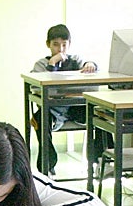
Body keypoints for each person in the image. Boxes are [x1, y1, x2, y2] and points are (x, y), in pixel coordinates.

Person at [30, 23, 99, 174]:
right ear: (48, 44)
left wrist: (91, 64)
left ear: (69, 44)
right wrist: (52, 65)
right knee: (39, 119)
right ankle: (47, 165)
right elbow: (39, 88)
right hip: (53, 110)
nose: (60, 49)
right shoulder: (41, 64)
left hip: (75, 108)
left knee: (100, 114)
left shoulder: (76, 60)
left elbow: (92, 74)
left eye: (64, 45)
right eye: (55, 45)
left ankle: (100, 160)